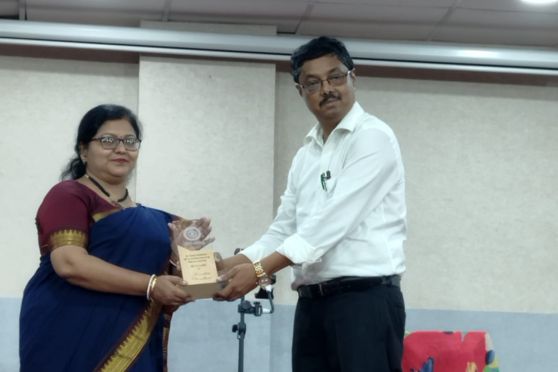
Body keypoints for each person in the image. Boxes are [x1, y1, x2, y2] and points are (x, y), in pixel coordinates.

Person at [215, 36, 407, 372]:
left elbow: (328, 227)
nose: (327, 89)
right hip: (312, 304)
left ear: (353, 78)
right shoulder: (306, 154)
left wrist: (258, 272)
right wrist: (225, 266)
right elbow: (284, 229)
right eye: (313, 83)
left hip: (364, 302)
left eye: (336, 77)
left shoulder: (373, 138)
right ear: (299, 90)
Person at [19, 104, 211, 371]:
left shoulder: (160, 222)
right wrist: (152, 285)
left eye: (130, 141)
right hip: (68, 329)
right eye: (108, 140)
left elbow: (202, 285)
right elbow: (70, 264)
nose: (121, 148)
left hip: (135, 340)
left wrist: (185, 259)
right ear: (84, 150)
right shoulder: (69, 195)